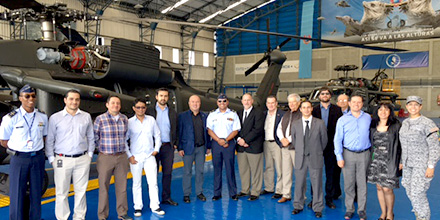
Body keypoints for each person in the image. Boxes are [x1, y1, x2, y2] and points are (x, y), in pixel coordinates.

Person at [0, 84, 48, 220]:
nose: (30, 99)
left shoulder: (42, 117)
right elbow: (3, 140)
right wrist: (19, 147)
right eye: (27, 96)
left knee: (36, 193)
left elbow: (44, 137)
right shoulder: (10, 118)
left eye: (33, 96)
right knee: (17, 193)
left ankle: (35, 218)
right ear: (20, 98)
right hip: (19, 159)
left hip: (37, 158)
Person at [45, 90, 94, 220]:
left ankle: (79, 217)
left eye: (77, 99)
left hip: (82, 159)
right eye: (71, 99)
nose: (74, 102)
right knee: (61, 192)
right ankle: (62, 218)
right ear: (65, 100)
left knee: (81, 192)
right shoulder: (55, 118)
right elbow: (50, 139)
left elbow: (91, 137)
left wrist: (89, 155)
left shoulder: (86, 117)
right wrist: (51, 158)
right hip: (61, 159)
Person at [399, 96, 440, 220]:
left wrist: (431, 166)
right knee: (408, 187)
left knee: (418, 192)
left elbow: (435, 146)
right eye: (410, 104)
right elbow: (403, 144)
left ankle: (423, 217)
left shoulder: (427, 123)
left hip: (421, 164)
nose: (413, 107)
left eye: (416, 105)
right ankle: (418, 211)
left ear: (420, 107)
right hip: (407, 163)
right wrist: (401, 161)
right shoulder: (405, 123)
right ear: (406, 107)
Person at [94, 96, 132, 220]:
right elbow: (95, 137)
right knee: (103, 187)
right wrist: (102, 150)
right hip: (106, 157)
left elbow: (126, 137)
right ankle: (102, 216)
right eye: (113, 103)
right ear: (107, 105)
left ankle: (122, 213)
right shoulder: (100, 119)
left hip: (121, 157)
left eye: (118, 103)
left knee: (122, 187)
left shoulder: (124, 119)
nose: (115, 105)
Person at [334, 95, 371, 220]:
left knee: (362, 184)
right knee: (349, 184)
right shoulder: (342, 120)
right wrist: (339, 156)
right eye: (354, 102)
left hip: (364, 154)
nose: (356, 104)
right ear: (349, 103)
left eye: (359, 102)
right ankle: (349, 209)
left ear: (362, 104)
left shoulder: (368, 118)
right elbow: (337, 139)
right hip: (348, 154)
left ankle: (362, 210)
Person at [126, 98, 165, 216]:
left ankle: (155, 206)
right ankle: (138, 207)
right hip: (135, 157)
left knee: (153, 182)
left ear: (145, 108)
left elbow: (157, 135)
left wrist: (156, 150)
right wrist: (129, 156)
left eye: (143, 107)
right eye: (138, 107)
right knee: (136, 183)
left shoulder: (151, 120)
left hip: (149, 156)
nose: (140, 109)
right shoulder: (129, 122)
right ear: (134, 108)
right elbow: (124, 140)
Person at [291, 101, 327, 218]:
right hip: (300, 157)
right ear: (300, 109)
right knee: (299, 183)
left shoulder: (320, 123)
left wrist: (316, 151)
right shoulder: (295, 124)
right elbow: (295, 141)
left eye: (308, 107)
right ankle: (298, 205)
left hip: (315, 157)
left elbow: (324, 141)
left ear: (312, 109)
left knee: (317, 184)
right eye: (304, 107)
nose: (306, 110)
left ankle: (318, 207)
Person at [367, 102, 401, 220]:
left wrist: (400, 161)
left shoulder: (396, 125)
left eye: (386, 110)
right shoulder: (373, 125)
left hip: (390, 160)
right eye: (380, 110)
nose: (383, 112)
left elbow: (401, 145)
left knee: (387, 188)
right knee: (379, 187)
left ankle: (390, 213)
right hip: (376, 161)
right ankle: (383, 213)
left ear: (390, 112)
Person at [146, 88, 179, 206]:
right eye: (161, 96)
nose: (163, 98)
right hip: (153, 147)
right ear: (156, 97)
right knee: (153, 174)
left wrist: (175, 143)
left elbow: (175, 128)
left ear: (168, 98)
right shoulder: (149, 111)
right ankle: (153, 200)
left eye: (165, 96)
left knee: (167, 173)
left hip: (167, 147)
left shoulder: (172, 112)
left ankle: (166, 197)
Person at [311, 87, 343, 209]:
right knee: (315, 173)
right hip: (317, 145)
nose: (324, 95)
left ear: (330, 96)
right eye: (322, 94)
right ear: (319, 96)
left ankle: (329, 198)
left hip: (331, 146)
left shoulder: (337, 110)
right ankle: (314, 198)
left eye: (327, 94)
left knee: (331, 173)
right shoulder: (313, 110)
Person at [207, 93, 241, 201]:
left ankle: (233, 193)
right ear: (217, 102)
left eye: (224, 101)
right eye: (220, 101)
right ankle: (217, 193)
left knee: (230, 169)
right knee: (217, 169)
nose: (222, 103)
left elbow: (236, 130)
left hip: (229, 143)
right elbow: (209, 130)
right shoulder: (212, 115)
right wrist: (219, 140)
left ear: (227, 102)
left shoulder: (233, 114)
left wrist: (226, 140)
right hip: (216, 144)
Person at [178, 95, 211, 203]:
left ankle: (199, 192)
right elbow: (180, 132)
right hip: (187, 149)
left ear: (200, 103)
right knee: (187, 172)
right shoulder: (182, 116)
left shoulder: (204, 116)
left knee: (200, 171)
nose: (195, 104)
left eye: (197, 102)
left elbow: (207, 132)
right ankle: (186, 194)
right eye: (193, 102)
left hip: (201, 148)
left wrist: (208, 146)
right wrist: (180, 148)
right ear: (189, 103)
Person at [236, 93, 265, 201]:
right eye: (245, 100)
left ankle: (255, 191)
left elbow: (257, 129)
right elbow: (235, 129)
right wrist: (239, 140)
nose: (247, 102)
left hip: (254, 146)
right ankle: (245, 190)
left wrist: (245, 140)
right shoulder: (238, 113)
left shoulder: (258, 113)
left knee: (256, 170)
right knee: (243, 170)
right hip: (241, 147)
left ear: (252, 101)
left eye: (249, 100)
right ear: (242, 101)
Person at [276, 93, 302, 203]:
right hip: (285, 148)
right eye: (290, 102)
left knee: (300, 172)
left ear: (299, 103)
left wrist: (288, 140)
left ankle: (301, 196)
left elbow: (301, 129)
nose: (291, 104)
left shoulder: (301, 114)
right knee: (286, 171)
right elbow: (279, 128)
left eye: (294, 102)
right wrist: (282, 139)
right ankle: (286, 194)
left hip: (296, 148)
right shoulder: (286, 114)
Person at [262, 95, 285, 199]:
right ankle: (269, 187)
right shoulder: (263, 115)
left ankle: (279, 190)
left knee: (279, 167)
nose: (271, 105)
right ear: (266, 104)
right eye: (269, 103)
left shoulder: (282, 115)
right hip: (266, 143)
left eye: (273, 103)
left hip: (277, 143)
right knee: (268, 166)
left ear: (276, 103)